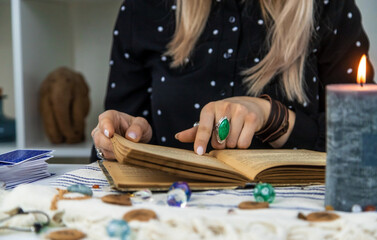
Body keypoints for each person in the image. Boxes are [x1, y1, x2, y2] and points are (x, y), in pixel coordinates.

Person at [91, 0, 374, 161]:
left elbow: (364, 143)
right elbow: (117, 137)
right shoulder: (144, 8)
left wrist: (275, 118)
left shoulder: (328, 7)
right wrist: (123, 140)